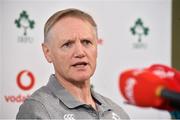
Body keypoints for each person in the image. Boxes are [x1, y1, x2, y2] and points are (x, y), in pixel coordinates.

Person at [16, 8, 129, 119]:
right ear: (47, 52)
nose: (80, 53)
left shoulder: (117, 112)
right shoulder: (37, 110)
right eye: (68, 44)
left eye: (86, 42)